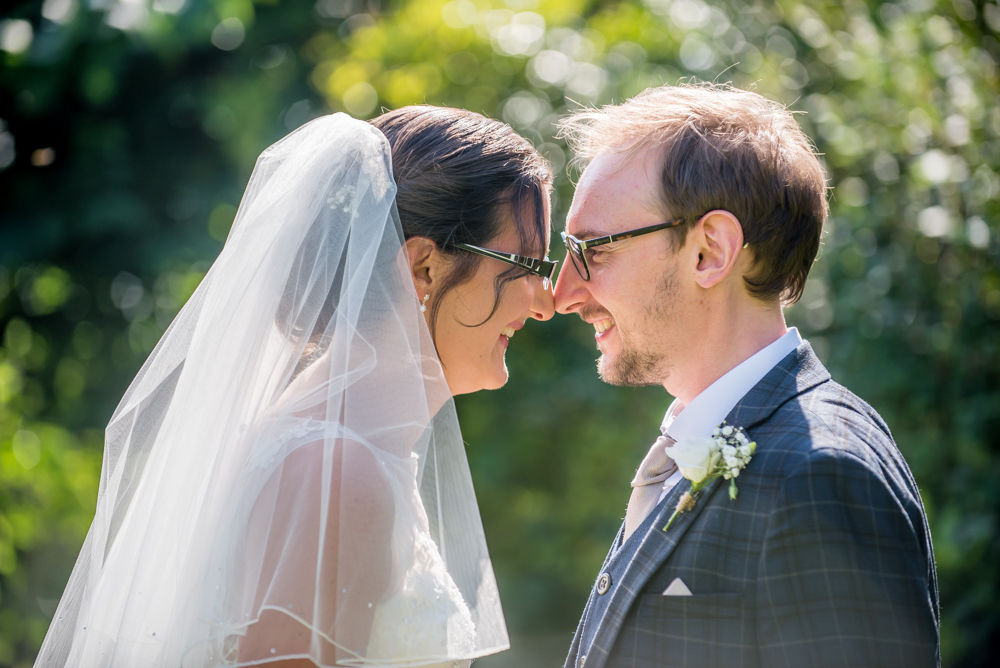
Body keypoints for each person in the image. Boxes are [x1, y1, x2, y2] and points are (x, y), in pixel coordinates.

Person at [34, 106, 556, 667]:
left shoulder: (346, 453)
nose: (547, 304)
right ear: (423, 267)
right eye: (521, 265)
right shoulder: (339, 471)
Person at [552, 83, 940, 667]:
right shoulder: (698, 446)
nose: (563, 293)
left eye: (593, 250)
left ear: (710, 251)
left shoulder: (821, 475)